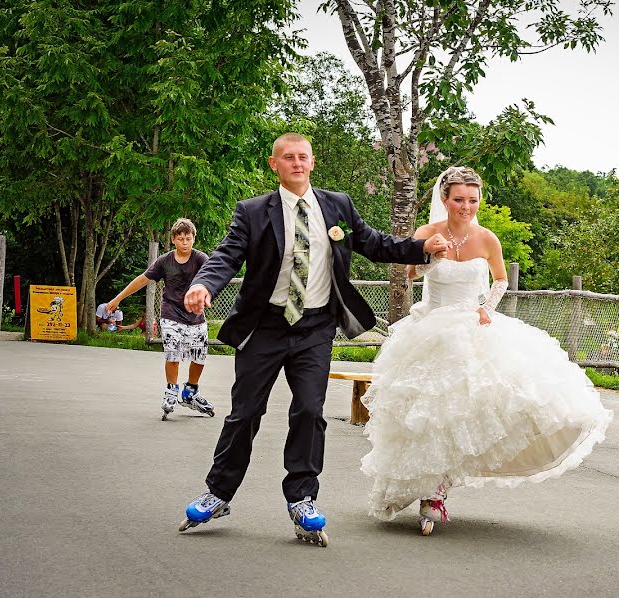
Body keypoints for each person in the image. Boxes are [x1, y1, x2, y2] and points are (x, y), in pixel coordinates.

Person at [177, 133, 450, 545]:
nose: (297, 163)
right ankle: (218, 492)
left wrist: (420, 248)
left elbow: (374, 243)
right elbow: (226, 256)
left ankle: (302, 497)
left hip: (315, 327)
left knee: (309, 410)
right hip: (265, 328)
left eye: (303, 157)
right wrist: (203, 285)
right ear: (275, 165)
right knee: (244, 413)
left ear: (312, 161)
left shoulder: (337, 205)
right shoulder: (252, 212)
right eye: (288, 158)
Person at [360, 166, 614, 536]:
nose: (466, 206)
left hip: (471, 325)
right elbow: (410, 273)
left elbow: (500, 279)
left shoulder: (487, 238)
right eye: (459, 199)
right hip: (431, 329)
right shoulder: (428, 233)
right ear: (445, 200)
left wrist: (487, 308)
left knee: (470, 412)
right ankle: (417, 486)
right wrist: (429, 257)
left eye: (473, 200)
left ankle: (437, 492)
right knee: (425, 415)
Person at [104, 218, 213, 420]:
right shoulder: (165, 261)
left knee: (199, 356)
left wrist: (208, 296)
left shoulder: (200, 259)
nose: (185, 243)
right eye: (180, 239)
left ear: (193, 239)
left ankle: (190, 392)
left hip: (196, 316)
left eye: (188, 238)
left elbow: (213, 277)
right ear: (173, 240)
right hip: (171, 314)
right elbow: (142, 280)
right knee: (173, 353)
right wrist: (118, 298)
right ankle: (172, 390)